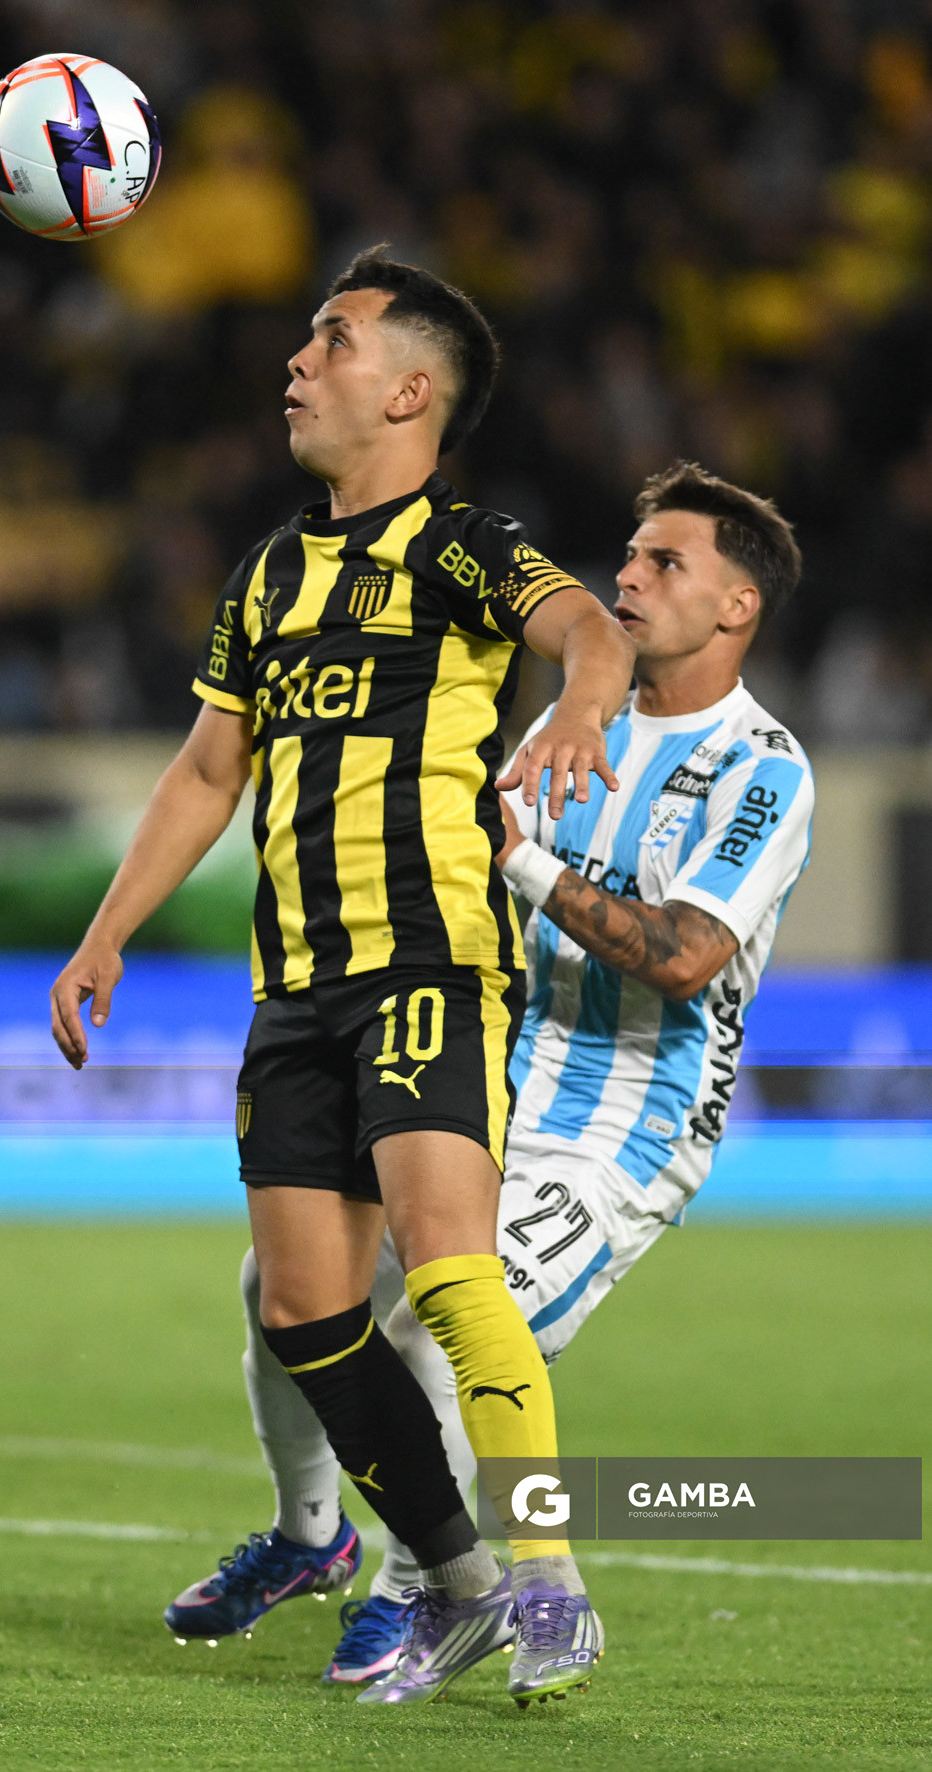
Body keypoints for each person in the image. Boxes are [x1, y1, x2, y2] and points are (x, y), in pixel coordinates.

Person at [51, 247, 635, 1708]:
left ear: (412, 389)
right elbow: (207, 768)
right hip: (295, 988)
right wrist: (108, 926)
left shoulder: (463, 546)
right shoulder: (267, 571)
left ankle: (554, 1580)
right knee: (304, 1309)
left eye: (334, 340)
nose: (300, 364)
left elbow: (591, 630)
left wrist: (573, 702)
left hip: (428, 954)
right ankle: (458, 1583)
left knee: (446, 1268)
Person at [165, 460, 813, 1705]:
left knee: (433, 1326)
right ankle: (313, 1538)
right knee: (283, 1286)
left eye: (663, 562)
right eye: (626, 553)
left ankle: (422, 1593)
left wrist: (517, 864)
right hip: (486, 1071)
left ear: (737, 605)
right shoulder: (568, 721)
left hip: (618, 1129)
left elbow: (680, 960)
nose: (625, 574)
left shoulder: (760, 767)